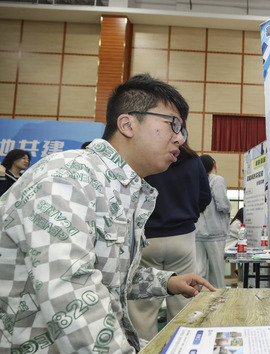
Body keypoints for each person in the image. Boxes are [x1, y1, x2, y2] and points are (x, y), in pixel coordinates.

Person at [0, 73, 215, 353]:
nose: (179, 138)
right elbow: (70, 291)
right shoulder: (67, 178)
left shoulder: (124, 188)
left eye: (182, 130)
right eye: (172, 124)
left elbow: (107, 272)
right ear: (127, 124)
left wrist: (167, 281)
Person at [128, 141, 212, 341]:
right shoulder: (194, 161)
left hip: (148, 235)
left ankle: (145, 349)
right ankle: (182, 346)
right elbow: (204, 197)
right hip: (182, 237)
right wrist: (188, 212)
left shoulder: (147, 157)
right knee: (184, 299)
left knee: (142, 309)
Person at [195, 154, 231, 288]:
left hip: (197, 231)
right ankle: (218, 301)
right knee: (217, 272)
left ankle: (194, 300)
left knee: (198, 271)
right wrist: (229, 208)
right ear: (214, 164)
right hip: (215, 231)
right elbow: (222, 204)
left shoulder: (196, 180)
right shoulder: (217, 180)